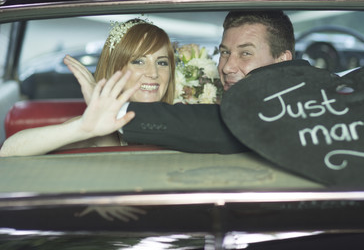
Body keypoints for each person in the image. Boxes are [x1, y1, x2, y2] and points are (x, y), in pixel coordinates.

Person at [120, 10, 297, 153]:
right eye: (225, 53)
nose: (227, 67)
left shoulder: (302, 107)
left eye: (245, 53)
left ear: (282, 60)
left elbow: (223, 126)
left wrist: (114, 111)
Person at [0, 19, 176, 157]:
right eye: (139, 61)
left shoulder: (185, 118)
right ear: (115, 70)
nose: (153, 73)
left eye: (162, 62)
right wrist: (83, 128)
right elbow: (9, 150)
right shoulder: (98, 130)